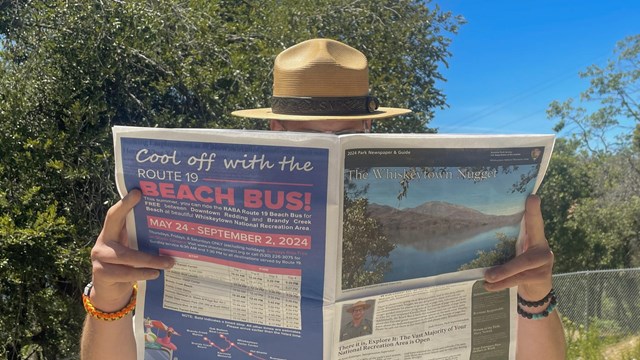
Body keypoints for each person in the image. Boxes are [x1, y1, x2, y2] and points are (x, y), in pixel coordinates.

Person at [81, 38, 565, 359]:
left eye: (346, 137)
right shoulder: (169, 220)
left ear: (369, 130)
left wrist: (536, 296)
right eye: (309, 139)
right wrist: (106, 297)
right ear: (274, 129)